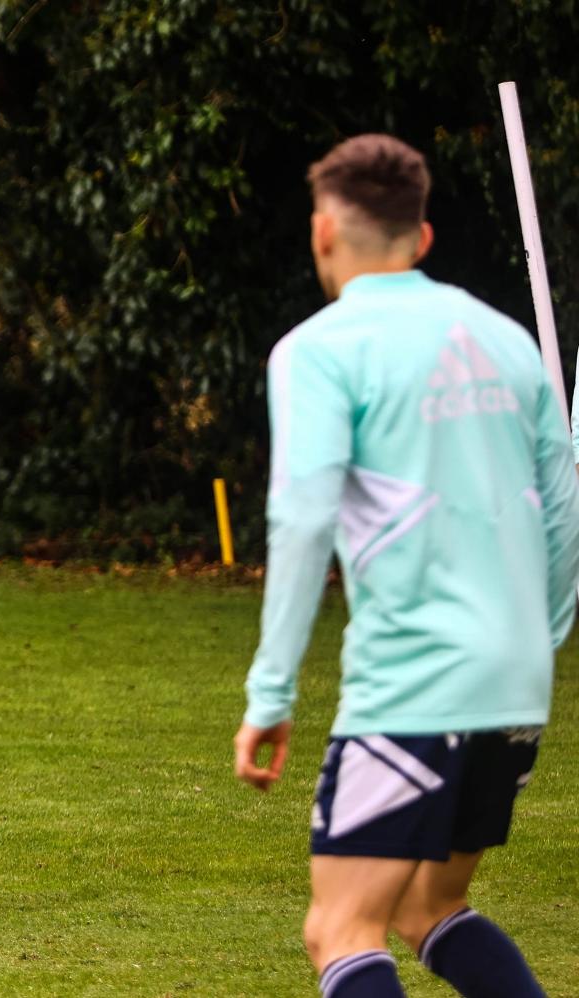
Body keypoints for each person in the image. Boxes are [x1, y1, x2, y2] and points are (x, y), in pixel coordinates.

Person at [232, 134, 579, 997]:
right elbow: (565, 512)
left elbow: (303, 521)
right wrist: (535, 638)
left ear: (322, 232)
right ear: (422, 239)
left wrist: (271, 697)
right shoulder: (507, 342)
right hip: (515, 681)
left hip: (415, 685)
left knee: (340, 927)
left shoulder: (316, 350)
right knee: (430, 906)